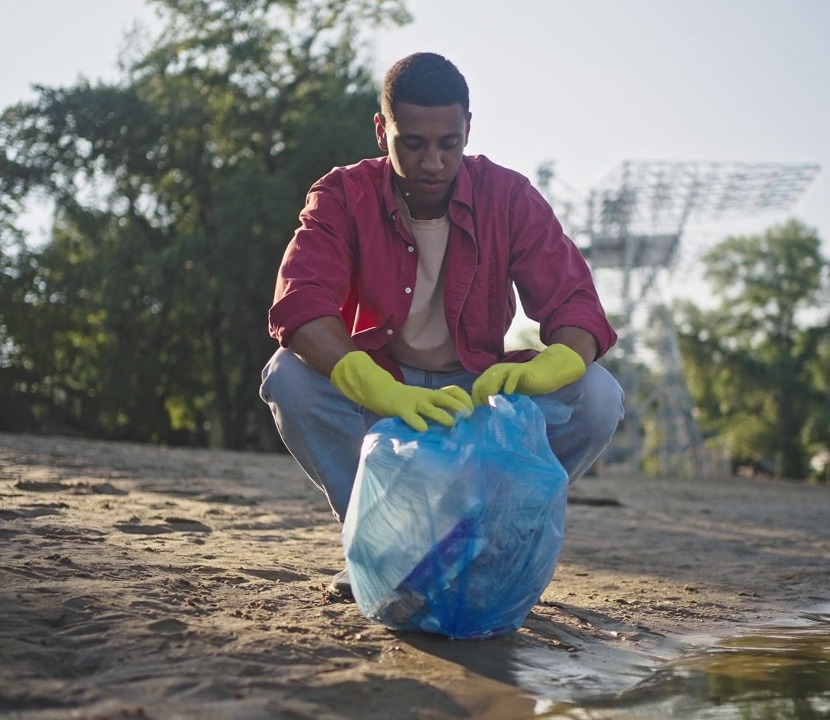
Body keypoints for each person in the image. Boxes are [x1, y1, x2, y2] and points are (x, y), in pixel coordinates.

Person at [259, 52, 625, 600]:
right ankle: (381, 544)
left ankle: (489, 543)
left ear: (468, 130)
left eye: (448, 143)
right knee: (286, 377)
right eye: (413, 143)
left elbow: (577, 306)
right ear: (382, 130)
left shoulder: (509, 196)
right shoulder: (341, 195)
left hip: (477, 394)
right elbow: (300, 303)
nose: (432, 161)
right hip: (382, 390)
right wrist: (376, 386)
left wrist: (553, 365)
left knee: (598, 395)